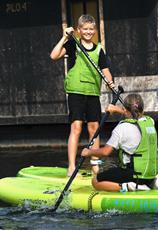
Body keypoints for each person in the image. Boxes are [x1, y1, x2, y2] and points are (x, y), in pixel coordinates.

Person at [50, 14, 114, 176]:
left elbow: (106, 71)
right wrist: (64, 38)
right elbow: (54, 55)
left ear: (95, 31)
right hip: (76, 92)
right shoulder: (73, 44)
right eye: (85, 29)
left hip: (92, 92)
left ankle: (95, 168)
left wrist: (110, 83)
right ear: (79, 30)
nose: (88, 32)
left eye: (91, 29)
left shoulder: (99, 49)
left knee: (94, 129)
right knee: (76, 127)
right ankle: (71, 167)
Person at [81, 94, 158, 192]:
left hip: (133, 174)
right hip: (150, 172)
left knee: (95, 181)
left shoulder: (121, 128)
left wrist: (88, 152)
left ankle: (130, 186)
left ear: (125, 110)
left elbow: (105, 152)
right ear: (143, 109)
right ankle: (153, 182)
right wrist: (120, 110)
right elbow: (136, 115)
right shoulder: (150, 121)